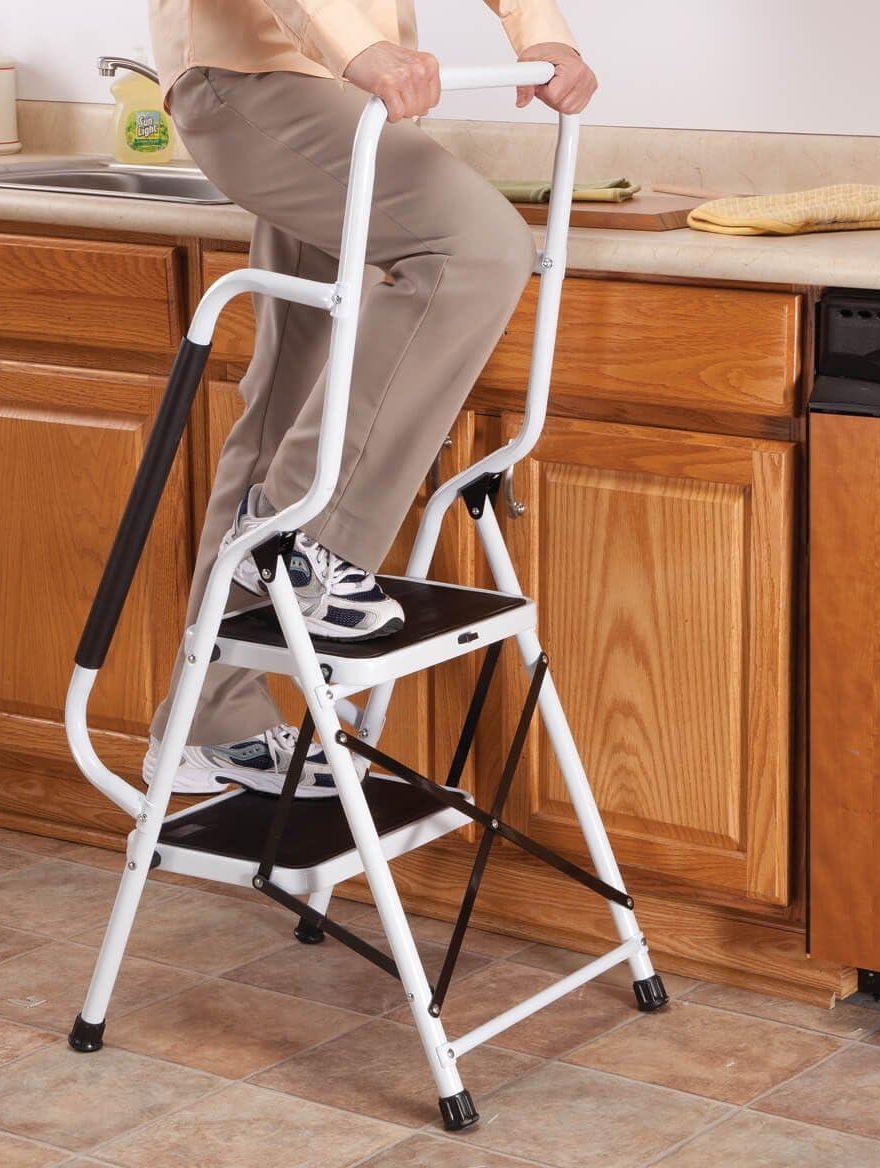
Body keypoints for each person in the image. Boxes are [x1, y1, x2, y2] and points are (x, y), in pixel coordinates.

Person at [145, 0, 597, 798]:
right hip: (256, 74)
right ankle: (303, 541)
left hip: (346, 88)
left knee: (290, 394)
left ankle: (211, 717)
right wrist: (359, 50)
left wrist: (542, 32)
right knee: (478, 247)